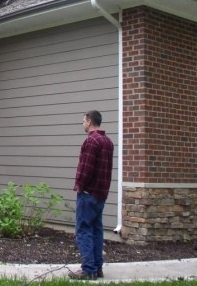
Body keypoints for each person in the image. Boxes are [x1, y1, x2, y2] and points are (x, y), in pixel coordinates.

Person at [69, 110, 114, 281]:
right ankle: (97, 268)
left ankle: (88, 269)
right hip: (101, 194)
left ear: (89, 121)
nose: (83, 124)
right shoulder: (108, 142)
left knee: (83, 230)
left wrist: (79, 185)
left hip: (88, 194)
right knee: (96, 230)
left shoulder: (91, 141)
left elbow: (85, 168)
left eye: (83, 121)